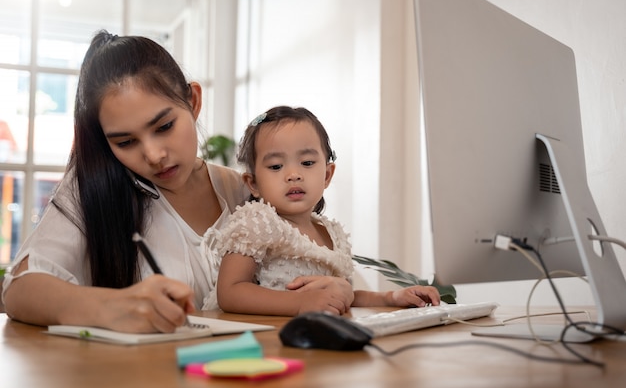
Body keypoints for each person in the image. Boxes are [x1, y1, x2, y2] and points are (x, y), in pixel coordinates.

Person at [1, 31, 353, 333]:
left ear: (193, 101)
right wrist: (112, 306)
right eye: (125, 142)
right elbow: (18, 289)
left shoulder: (247, 192)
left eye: (164, 126)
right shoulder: (92, 190)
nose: (154, 154)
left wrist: (334, 287)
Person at [211, 106, 441, 316]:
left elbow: (342, 296)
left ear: (327, 175)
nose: (293, 174)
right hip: (261, 340)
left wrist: (391, 298)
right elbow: (230, 292)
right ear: (253, 184)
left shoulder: (331, 233)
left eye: (307, 163)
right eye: (276, 166)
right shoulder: (257, 222)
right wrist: (300, 303)